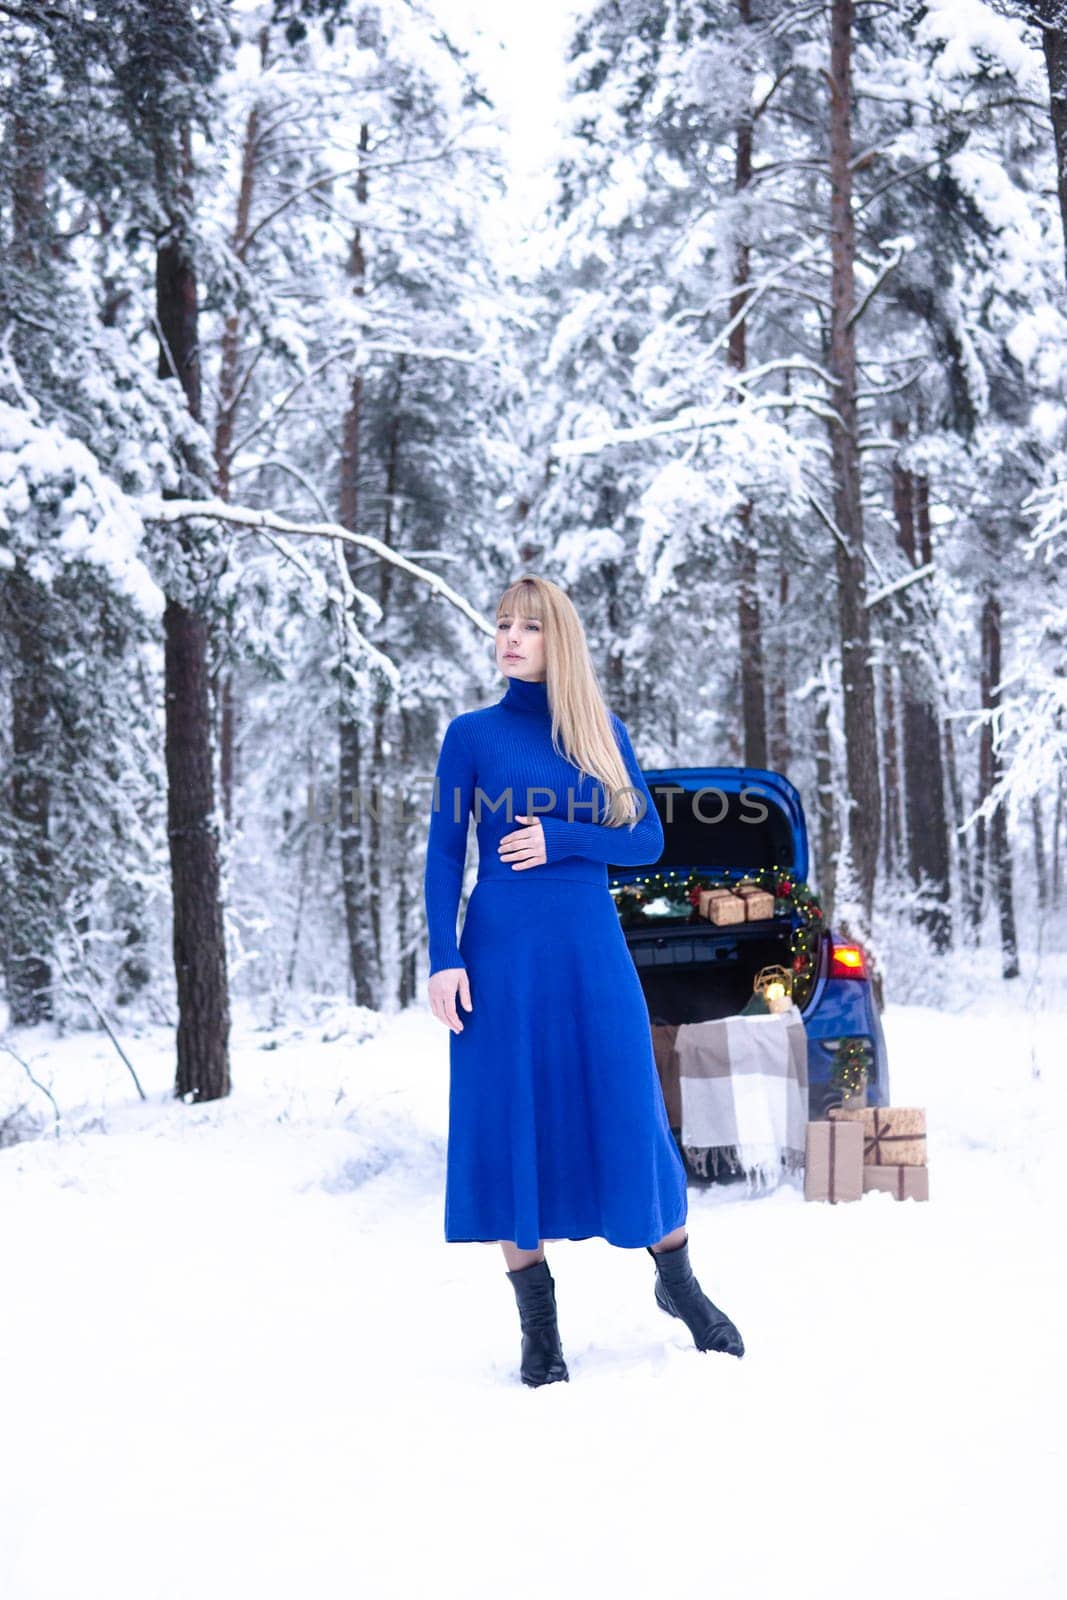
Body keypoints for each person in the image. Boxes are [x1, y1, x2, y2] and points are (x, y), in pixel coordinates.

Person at [424, 575, 744, 1387]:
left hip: (589, 950)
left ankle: (679, 1286)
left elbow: (644, 840)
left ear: (555, 638)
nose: (507, 638)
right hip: (498, 954)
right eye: (501, 625)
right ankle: (539, 1329)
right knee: (509, 1121)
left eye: (526, 627)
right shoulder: (471, 735)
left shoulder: (599, 732)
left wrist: (564, 835)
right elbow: (442, 852)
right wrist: (441, 958)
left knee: (628, 1111)